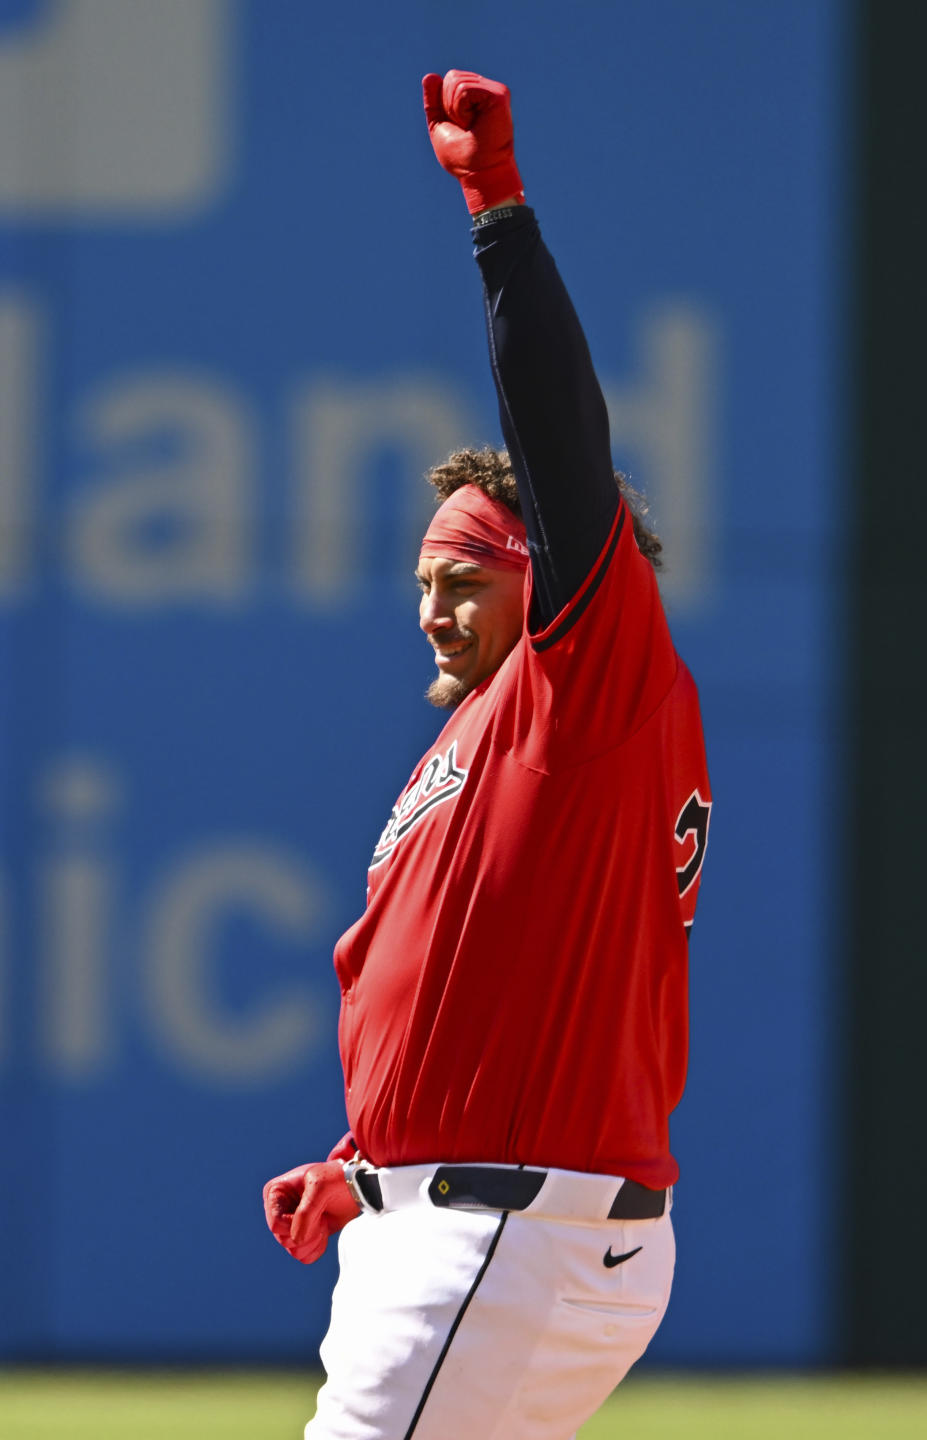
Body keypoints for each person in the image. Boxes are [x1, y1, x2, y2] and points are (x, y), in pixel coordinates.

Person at [263, 70, 711, 1440]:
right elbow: (471, 985)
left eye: (465, 574)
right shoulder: (490, 742)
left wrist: (496, 213)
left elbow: (564, 444)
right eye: (421, 579)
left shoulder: (591, 685)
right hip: (457, 1224)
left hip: (502, 1240)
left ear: (552, 582)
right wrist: (369, 1159)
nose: (432, 607)